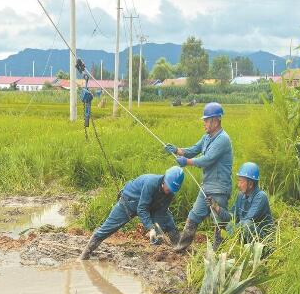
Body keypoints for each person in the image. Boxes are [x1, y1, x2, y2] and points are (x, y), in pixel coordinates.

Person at [164, 102, 233, 251]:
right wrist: (177, 150)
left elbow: (207, 159)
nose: (204, 123)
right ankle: (181, 247)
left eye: (206, 120)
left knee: (219, 223)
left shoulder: (223, 139)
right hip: (207, 186)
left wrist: (187, 162)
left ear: (215, 121)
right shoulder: (207, 137)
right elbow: (194, 149)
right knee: (194, 215)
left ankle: (218, 253)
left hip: (219, 188)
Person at [79, 166, 185, 260]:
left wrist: (157, 230)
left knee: (168, 221)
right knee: (108, 228)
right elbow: (142, 209)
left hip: (152, 205)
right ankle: (85, 254)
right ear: (164, 179)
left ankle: (175, 250)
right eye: (168, 187)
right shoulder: (151, 183)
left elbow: (161, 212)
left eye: (172, 189)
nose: (169, 191)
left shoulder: (171, 192)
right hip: (130, 201)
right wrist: (150, 227)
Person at [206, 162, 273, 245]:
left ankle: (262, 253)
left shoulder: (261, 197)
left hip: (264, 241)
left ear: (251, 184)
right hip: (248, 237)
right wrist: (216, 207)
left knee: (246, 224)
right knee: (230, 224)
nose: (238, 185)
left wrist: (227, 236)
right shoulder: (241, 195)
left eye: (241, 182)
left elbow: (246, 221)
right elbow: (232, 217)